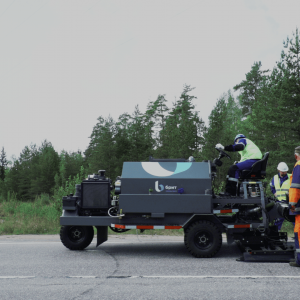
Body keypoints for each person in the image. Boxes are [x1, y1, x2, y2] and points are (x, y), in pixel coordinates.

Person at [270, 162, 291, 230]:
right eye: (283, 171)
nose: (284, 173)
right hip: (279, 203)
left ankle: (297, 236)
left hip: (290, 202)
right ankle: (276, 234)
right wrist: (274, 192)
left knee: (294, 220)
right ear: (279, 170)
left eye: (285, 171)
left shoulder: (291, 177)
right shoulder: (275, 178)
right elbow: (272, 186)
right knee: (278, 220)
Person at [289, 146, 300, 267]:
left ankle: (299, 260)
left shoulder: (298, 166)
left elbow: (295, 187)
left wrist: (292, 204)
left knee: (298, 233)